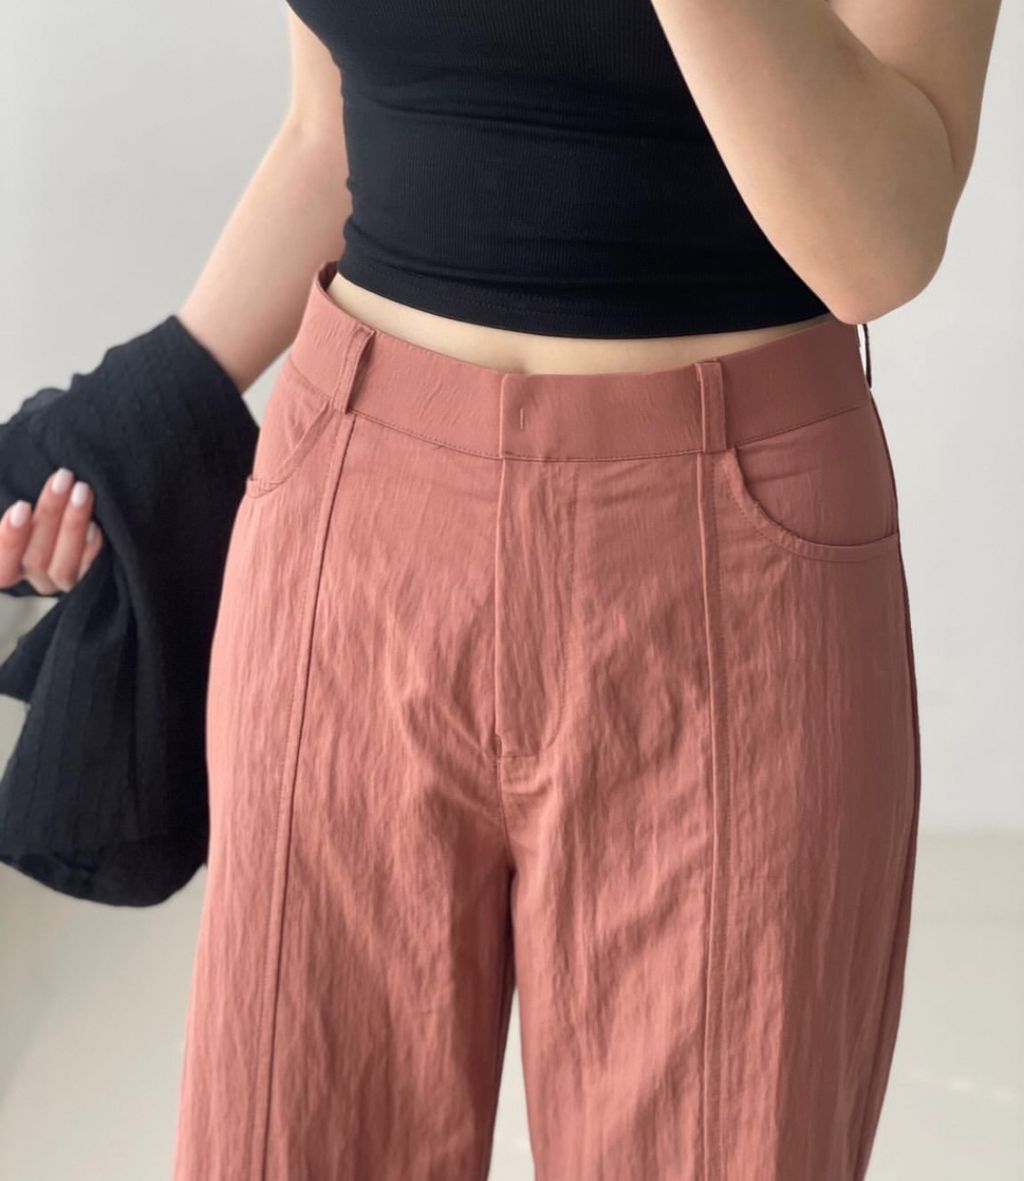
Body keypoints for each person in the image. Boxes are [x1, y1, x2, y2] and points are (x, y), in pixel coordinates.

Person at [2, 0, 1001, 1177]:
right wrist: (133, 417)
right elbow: (334, 134)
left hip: (726, 557)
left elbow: (879, 244)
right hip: (352, 521)